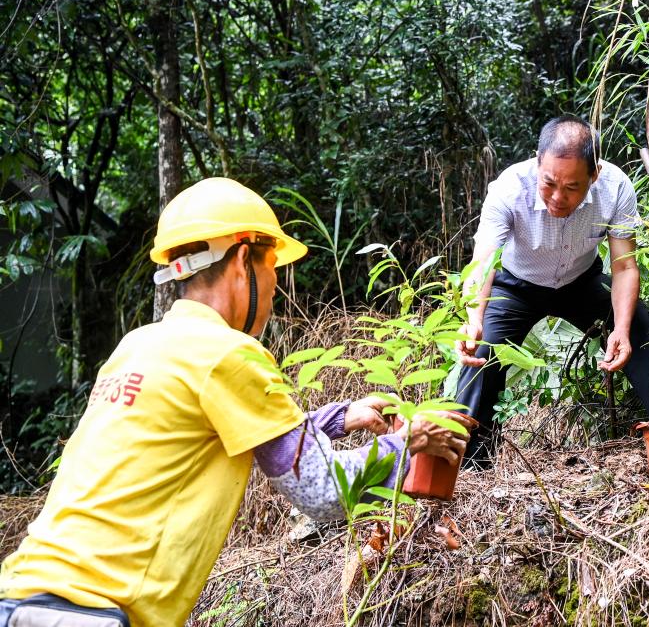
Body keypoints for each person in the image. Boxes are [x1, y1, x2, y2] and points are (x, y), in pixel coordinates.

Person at [0, 177, 469, 627]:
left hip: (21, 594)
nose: (275, 288)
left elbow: (221, 433)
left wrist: (340, 417)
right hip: (91, 612)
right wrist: (409, 440)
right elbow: (324, 492)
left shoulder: (139, 345)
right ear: (244, 258)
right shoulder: (228, 352)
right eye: (272, 270)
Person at [455, 116, 649, 466]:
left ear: (594, 175)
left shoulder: (614, 187)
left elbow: (625, 266)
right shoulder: (509, 188)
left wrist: (622, 331)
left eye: (572, 188)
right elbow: (482, 262)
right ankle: (470, 467)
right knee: (481, 352)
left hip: (582, 281)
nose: (558, 197)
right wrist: (474, 318)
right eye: (549, 183)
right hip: (515, 285)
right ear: (537, 162)